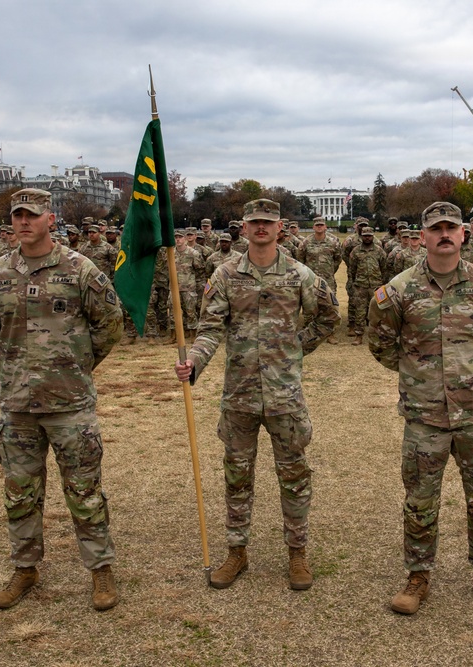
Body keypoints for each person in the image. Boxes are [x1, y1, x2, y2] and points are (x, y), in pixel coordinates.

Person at [0, 188, 123, 612]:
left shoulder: (80, 269)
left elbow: (110, 325)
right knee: (20, 492)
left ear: (49, 219)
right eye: (18, 215)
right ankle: (25, 568)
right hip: (18, 405)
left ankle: (100, 570)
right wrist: (15, 357)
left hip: (70, 404)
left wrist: (74, 363)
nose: (24, 222)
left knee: (84, 491)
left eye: (32, 215)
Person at [174, 198, 339, 591]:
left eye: (267, 222)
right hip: (241, 394)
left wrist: (298, 345)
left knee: (294, 473)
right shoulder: (226, 274)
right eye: (254, 222)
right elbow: (210, 327)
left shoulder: (300, 275)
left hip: (284, 395)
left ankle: (297, 552)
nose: (260, 228)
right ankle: (237, 551)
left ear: (279, 227)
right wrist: (194, 362)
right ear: (243, 228)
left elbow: (328, 315)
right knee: (237, 474)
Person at [367, 201, 473, 616]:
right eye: (436, 229)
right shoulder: (398, 290)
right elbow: (380, 343)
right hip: (424, 417)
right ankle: (418, 576)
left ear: (464, 234)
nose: (444, 234)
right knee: (420, 500)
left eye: (451, 227)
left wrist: (471, 377)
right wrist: (420, 377)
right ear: (423, 237)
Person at [296, 216, 344, 343]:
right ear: (313, 227)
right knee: (308, 307)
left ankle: (330, 334)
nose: (319, 227)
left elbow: (338, 259)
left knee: (330, 307)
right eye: (317, 225)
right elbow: (300, 260)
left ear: (325, 227)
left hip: (327, 280)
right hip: (309, 281)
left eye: (321, 225)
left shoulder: (333, 242)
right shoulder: (305, 243)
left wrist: (329, 271)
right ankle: (307, 333)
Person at [348, 225, 387, 345]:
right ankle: (358, 336)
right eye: (365, 236)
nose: (367, 238)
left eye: (369, 236)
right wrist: (355, 283)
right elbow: (352, 269)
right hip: (361, 286)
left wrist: (382, 284)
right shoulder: (355, 251)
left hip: (376, 286)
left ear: (373, 236)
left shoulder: (379, 251)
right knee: (360, 311)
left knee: (378, 311)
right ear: (361, 237)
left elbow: (384, 268)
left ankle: (378, 336)